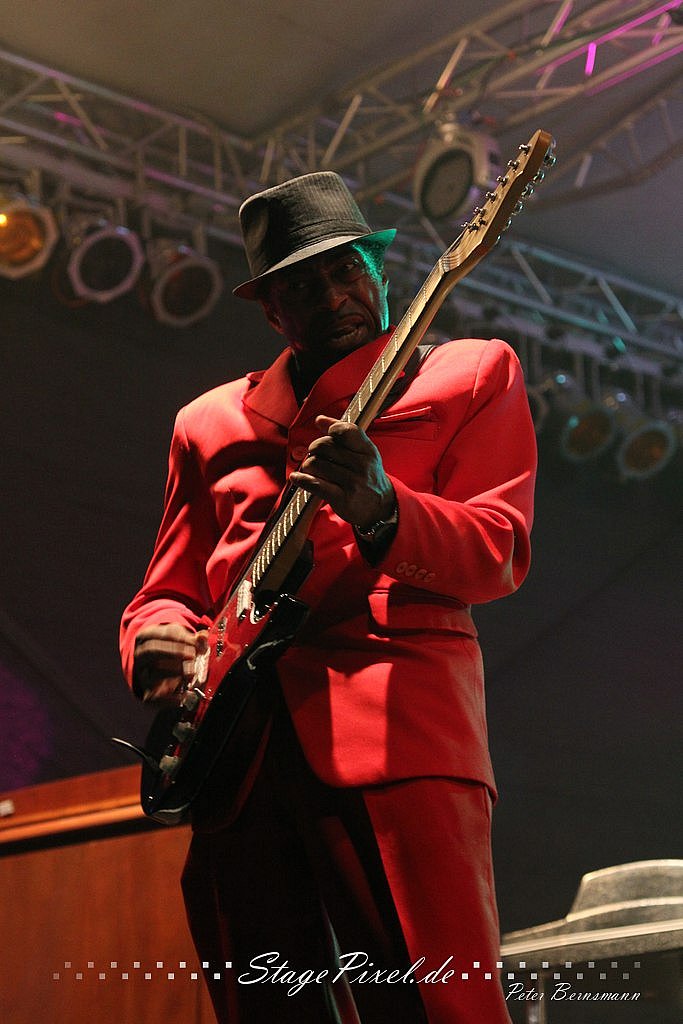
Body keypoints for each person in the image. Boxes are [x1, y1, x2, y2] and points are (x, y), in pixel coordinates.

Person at [120, 171, 536, 1023]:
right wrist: (154, 637)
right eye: (303, 285)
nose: (336, 295)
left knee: (438, 1008)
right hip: (234, 757)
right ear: (272, 311)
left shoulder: (469, 373)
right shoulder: (207, 422)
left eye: (348, 269)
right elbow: (165, 590)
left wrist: (386, 509)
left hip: (398, 736)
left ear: (381, 272)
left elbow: (498, 549)